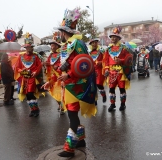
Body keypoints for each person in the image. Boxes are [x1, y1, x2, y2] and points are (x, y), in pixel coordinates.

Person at [53, 8, 97, 157]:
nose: (60, 35)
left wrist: (70, 74)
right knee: (73, 114)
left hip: (76, 85)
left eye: (60, 33)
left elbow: (86, 64)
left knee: (72, 115)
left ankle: (69, 148)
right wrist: (53, 81)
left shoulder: (78, 43)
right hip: (69, 84)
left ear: (64, 32)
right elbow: (65, 65)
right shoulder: (66, 46)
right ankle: (81, 140)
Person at [103, 26, 132, 112]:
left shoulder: (124, 48)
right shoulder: (108, 49)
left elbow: (129, 59)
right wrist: (106, 69)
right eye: (111, 37)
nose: (112, 38)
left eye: (114, 37)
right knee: (111, 89)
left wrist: (121, 61)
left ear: (118, 38)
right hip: (111, 72)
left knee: (121, 88)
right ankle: (112, 104)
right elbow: (106, 61)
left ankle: (123, 104)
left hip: (121, 72)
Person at [15, 33, 43, 117]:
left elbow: (39, 65)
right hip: (25, 78)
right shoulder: (21, 57)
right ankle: (32, 110)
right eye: (26, 47)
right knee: (27, 94)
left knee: (31, 93)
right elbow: (17, 67)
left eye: (29, 47)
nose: (28, 49)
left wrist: (35, 72)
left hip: (32, 78)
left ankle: (36, 109)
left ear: (32, 47)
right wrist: (21, 70)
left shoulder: (35, 56)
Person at [42, 32, 64, 114]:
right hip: (52, 77)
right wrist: (45, 64)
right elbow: (49, 63)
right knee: (54, 92)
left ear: (58, 46)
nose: (52, 47)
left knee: (59, 92)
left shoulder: (62, 54)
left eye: (53, 45)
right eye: (51, 45)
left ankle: (62, 107)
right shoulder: (50, 55)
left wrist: (57, 66)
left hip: (59, 76)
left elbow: (63, 63)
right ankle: (60, 105)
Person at [88, 38, 106, 103]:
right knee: (92, 85)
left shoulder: (101, 50)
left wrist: (101, 62)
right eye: (93, 43)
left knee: (99, 84)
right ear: (91, 44)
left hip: (99, 69)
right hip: (92, 70)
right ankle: (94, 99)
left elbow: (106, 59)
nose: (94, 44)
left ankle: (103, 94)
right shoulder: (89, 52)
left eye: (95, 42)